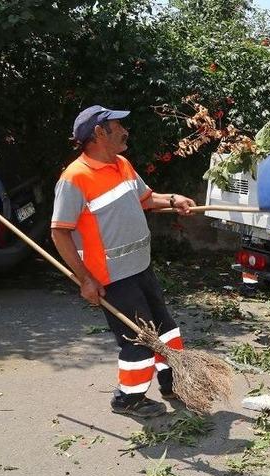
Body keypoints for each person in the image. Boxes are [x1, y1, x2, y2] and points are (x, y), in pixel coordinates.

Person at [51, 105, 197, 418]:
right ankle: (127, 400)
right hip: (113, 278)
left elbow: (145, 199)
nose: (125, 131)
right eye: (118, 126)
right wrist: (85, 279)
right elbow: (59, 233)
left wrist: (173, 199)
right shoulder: (75, 178)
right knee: (139, 341)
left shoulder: (122, 164)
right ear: (98, 133)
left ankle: (174, 382)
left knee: (166, 330)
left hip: (141, 268)